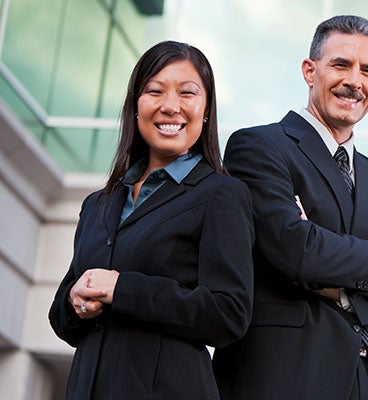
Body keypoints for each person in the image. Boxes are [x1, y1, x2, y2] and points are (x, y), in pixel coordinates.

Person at [211, 15, 368, 400]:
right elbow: (293, 249)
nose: (354, 81)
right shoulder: (259, 148)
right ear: (309, 71)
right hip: (281, 376)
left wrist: (338, 287)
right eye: (341, 64)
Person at [47, 41, 254, 399]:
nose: (170, 106)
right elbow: (61, 318)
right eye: (154, 91)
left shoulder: (220, 195)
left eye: (187, 93)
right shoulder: (98, 204)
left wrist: (123, 289)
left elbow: (228, 313)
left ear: (206, 109)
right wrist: (76, 301)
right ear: (136, 107)